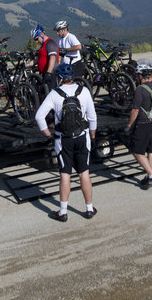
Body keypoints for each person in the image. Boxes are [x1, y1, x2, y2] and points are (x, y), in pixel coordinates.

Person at [35, 63, 98, 221]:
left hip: (63, 139)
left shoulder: (55, 94)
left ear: (60, 78)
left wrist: (48, 134)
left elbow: (39, 116)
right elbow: (92, 117)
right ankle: (89, 208)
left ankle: (63, 212)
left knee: (65, 173)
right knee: (84, 172)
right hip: (82, 136)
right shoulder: (84, 91)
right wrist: (92, 136)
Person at [125, 60, 152, 189]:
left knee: (137, 151)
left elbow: (135, 110)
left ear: (140, 75)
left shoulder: (140, 89)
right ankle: (150, 175)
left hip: (143, 123)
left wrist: (129, 125)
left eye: (137, 75)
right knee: (151, 150)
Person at [30, 24, 59, 90]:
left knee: (51, 95)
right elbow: (39, 59)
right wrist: (27, 64)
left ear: (42, 34)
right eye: (34, 40)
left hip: (51, 74)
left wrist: (48, 73)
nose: (36, 42)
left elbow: (53, 58)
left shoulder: (50, 43)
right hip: (44, 74)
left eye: (36, 39)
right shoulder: (43, 45)